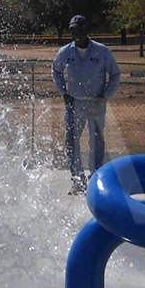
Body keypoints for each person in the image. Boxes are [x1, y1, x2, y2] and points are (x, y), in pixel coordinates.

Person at [52, 15, 121, 194]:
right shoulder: (65, 52)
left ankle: (96, 178)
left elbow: (115, 74)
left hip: (96, 104)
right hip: (74, 103)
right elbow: (56, 71)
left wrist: (105, 96)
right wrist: (63, 92)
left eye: (80, 31)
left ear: (86, 31)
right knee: (72, 142)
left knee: (96, 141)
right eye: (73, 31)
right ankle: (77, 180)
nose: (76, 35)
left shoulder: (102, 51)